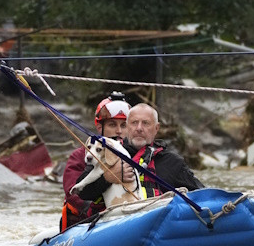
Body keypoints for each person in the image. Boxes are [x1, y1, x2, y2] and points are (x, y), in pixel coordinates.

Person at [74, 102, 203, 204]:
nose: (139, 128)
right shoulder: (108, 153)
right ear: (127, 126)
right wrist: (108, 177)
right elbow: (83, 193)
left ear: (156, 128)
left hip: (157, 225)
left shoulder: (173, 162)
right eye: (134, 123)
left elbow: (202, 194)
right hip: (113, 224)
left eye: (145, 123)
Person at [60, 92, 132, 231]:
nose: (118, 131)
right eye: (112, 124)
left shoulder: (133, 155)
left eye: (124, 125)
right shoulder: (81, 156)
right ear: (99, 127)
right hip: (88, 223)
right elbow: (72, 192)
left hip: (126, 217)